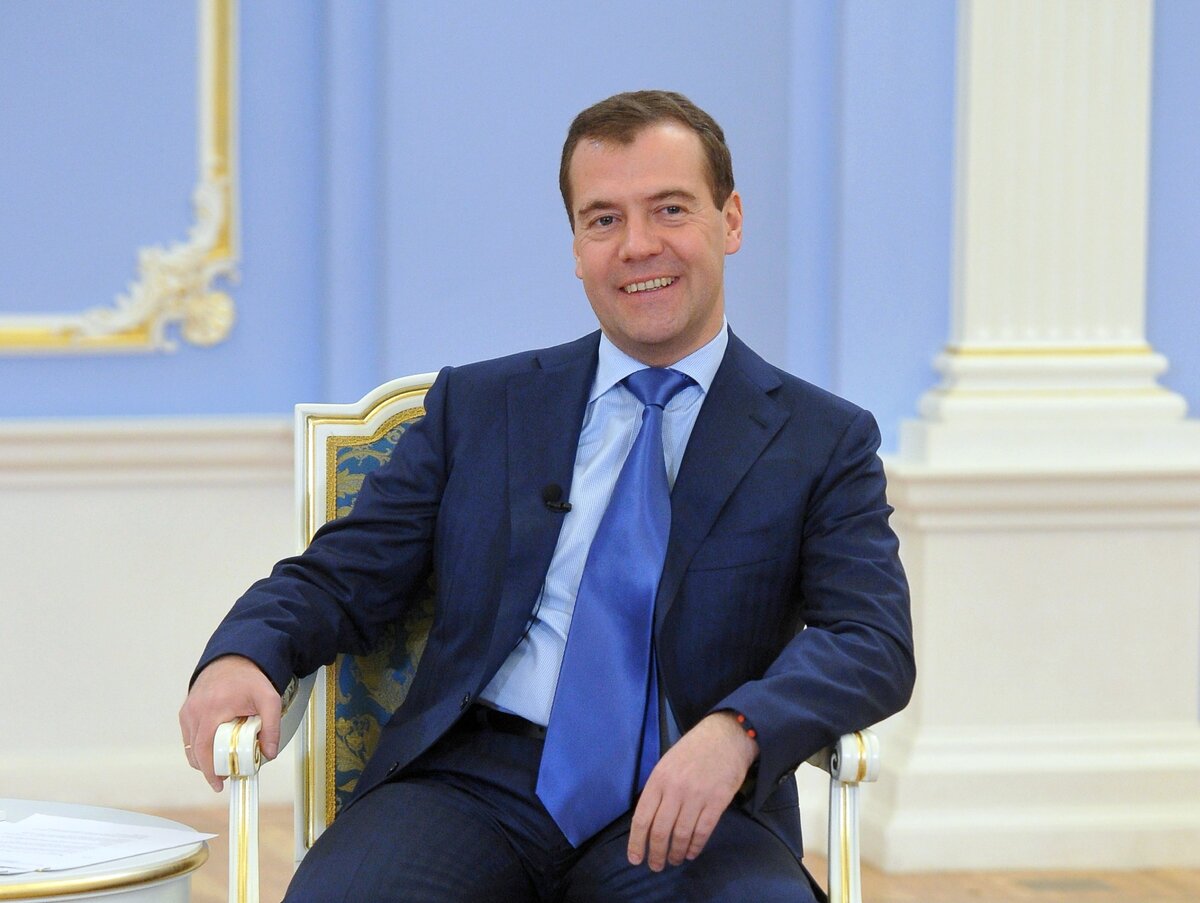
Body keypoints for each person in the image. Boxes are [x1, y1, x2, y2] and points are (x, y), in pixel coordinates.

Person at [179, 89, 915, 902]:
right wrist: (245, 651)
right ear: (576, 245)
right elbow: (340, 575)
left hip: (693, 797)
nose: (637, 245)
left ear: (730, 221)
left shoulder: (822, 439)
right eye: (604, 219)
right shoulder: (480, 408)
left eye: (670, 209)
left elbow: (870, 638)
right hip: (468, 784)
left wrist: (740, 729)